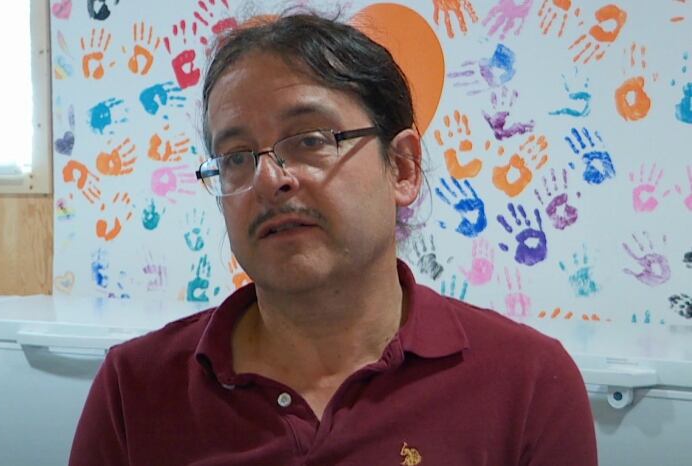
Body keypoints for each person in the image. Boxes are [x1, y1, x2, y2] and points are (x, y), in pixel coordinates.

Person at [69, 11, 597, 466]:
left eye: (311, 140)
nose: (271, 179)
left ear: (404, 168)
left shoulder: (527, 384)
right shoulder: (136, 388)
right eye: (236, 157)